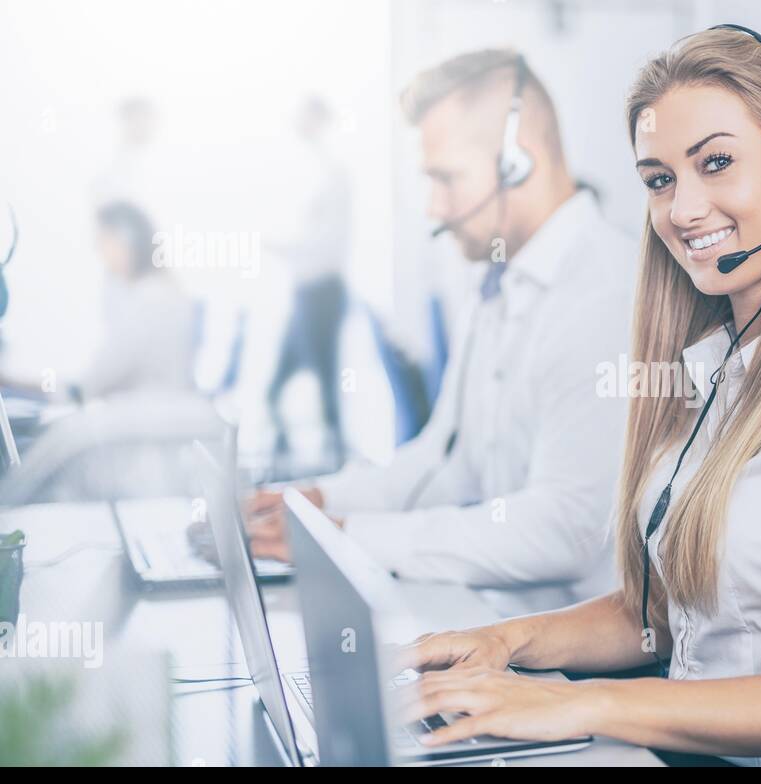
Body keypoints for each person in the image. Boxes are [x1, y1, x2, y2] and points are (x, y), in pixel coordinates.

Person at [396, 26, 761, 767]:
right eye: (660, 180)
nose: (683, 209)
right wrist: (507, 642)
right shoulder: (717, 363)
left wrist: (583, 704)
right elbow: (664, 617)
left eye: (716, 164)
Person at [247, 51, 636, 618]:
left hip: (589, 671)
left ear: (515, 165)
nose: (435, 207)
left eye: (446, 179)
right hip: (498, 622)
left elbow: (565, 532)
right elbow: (446, 461)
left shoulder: (605, 292)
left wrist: (349, 535)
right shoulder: (498, 281)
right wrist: (320, 502)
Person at [1, 201, 198, 402]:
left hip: (145, 411)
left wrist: (21, 384)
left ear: (129, 242)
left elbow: (89, 385)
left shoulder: (148, 299)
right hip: (155, 406)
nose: (99, 251)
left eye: (103, 241)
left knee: (49, 431)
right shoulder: (163, 292)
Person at [265, 96, 352, 469]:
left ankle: (332, 470)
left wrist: (282, 247)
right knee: (275, 392)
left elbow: (326, 244)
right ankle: (298, 470)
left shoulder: (333, 174)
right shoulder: (315, 170)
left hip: (321, 294)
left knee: (326, 390)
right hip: (307, 294)